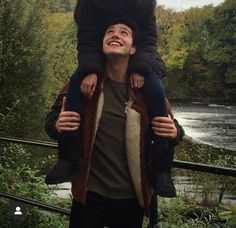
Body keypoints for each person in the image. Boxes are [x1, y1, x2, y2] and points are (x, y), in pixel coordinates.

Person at [45, 0, 174, 197]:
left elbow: (149, 39)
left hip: (140, 58)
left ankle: (160, 169)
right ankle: (68, 157)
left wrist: (139, 67)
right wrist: (91, 69)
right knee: (76, 87)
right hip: (98, 58)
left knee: (156, 92)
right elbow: (87, 38)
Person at [44, 22, 185, 228]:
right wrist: (56, 125)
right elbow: (50, 121)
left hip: (132, 197)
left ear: (133, 48)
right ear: (101, 44)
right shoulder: (84, 84)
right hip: (88, 195)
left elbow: (176, 130)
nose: (115, 35)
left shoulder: (147, 91)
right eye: (109, 31)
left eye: (124, 33)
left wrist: (174, 133)